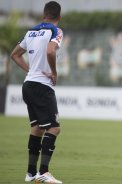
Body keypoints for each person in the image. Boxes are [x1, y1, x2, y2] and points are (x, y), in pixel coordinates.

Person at [10, 1, 63, 183]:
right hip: (42, 86)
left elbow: (15, 54)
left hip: (28, 85)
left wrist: (30, 71)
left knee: (38, 128)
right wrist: (54, 73)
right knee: (54, 128)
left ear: (44, 15)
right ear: (59, 16)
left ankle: (31, 173)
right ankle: (44, 172)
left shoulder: (30, 32)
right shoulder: (55, 31)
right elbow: (50, 51)